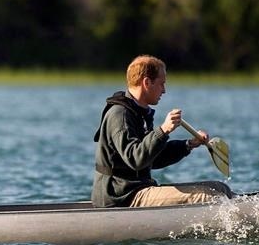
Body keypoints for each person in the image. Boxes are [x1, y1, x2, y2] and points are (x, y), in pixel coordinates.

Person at [92, 55, 232, 207]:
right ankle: (241, 214)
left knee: (219, 188)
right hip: (121, 196)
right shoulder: (120, 115)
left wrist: (188, 144)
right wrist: (163, 130)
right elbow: (136, 159)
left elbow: (153, 159)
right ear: (147, 82)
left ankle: (243, 206)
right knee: (207, 196)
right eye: (161, 84)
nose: (164, 90)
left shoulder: (139, 113)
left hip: (138, 190)